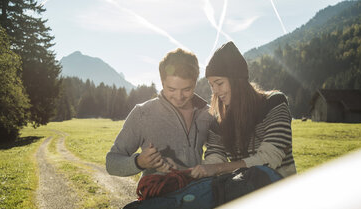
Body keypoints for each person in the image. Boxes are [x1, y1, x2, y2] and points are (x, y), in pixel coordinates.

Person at [189, 41, 297, 179]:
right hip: (245, 193)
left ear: (237, 80)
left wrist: (218, 168)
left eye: (219, 83)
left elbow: (269, 158)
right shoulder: (219, 120)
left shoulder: (274, 103)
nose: (215, 91)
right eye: (211, 85)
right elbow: (214, 157)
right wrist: (196, 170)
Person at [106, 48, 213, 178]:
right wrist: (139, 162)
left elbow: (217, 153)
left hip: (199, 194)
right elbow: (112, 163)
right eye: (171, 89)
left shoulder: (207, 113)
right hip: (158, 195)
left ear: (195, 83)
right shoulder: (142, 113)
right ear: (162, 83)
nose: (179, 97)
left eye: (186, 89)